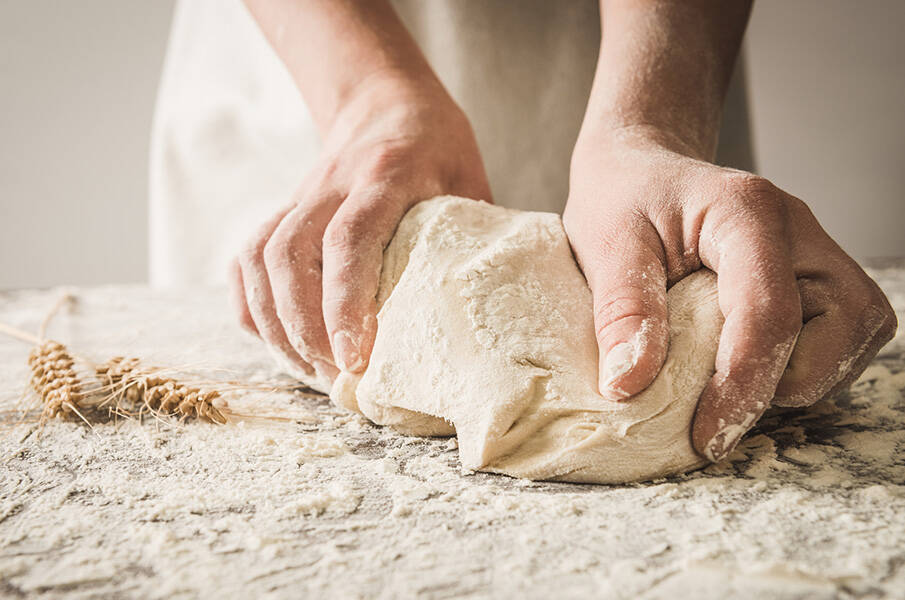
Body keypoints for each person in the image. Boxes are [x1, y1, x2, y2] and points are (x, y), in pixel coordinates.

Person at [151, 0, 896, 464]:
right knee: (338, 292)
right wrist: (366, 101)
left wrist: (648, 122)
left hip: (636, 50)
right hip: (311, 63)